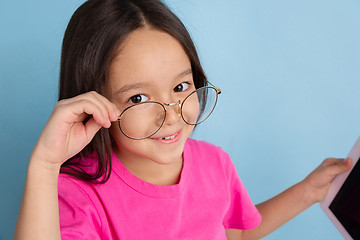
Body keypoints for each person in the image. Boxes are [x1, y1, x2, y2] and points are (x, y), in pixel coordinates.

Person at [14, 0, 352, 239]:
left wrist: (309, 191)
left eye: (180, 86)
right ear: (95, 103)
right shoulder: (78, 193)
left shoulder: (215, 163)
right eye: (139, 98)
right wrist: (45, 164)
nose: (173, 113)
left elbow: (235, 233)